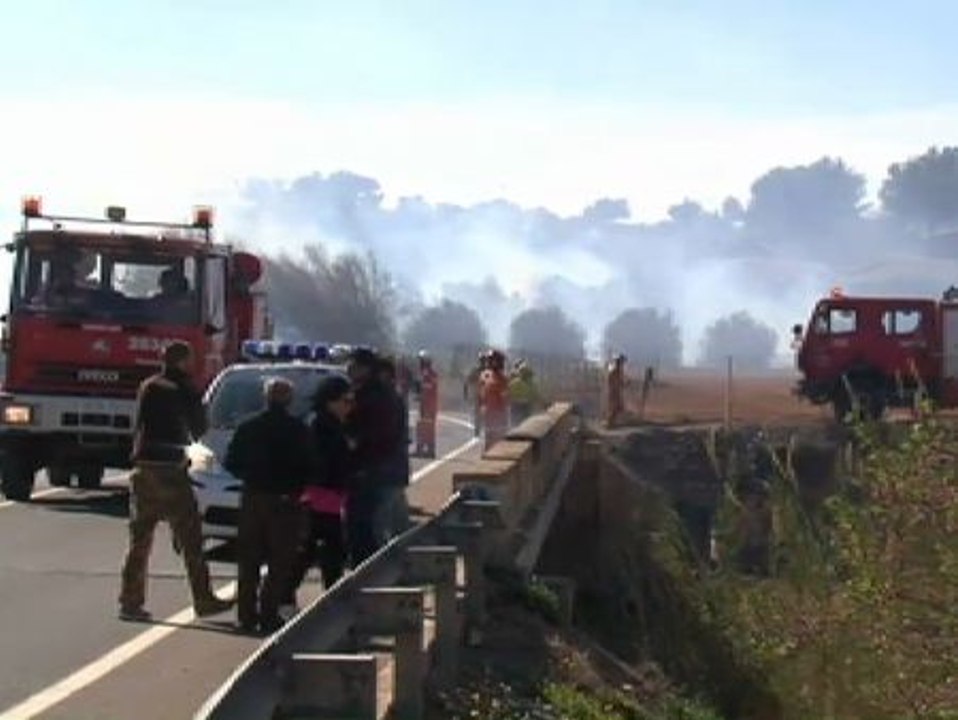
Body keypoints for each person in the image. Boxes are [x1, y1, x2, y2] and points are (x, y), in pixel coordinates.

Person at [119, 341, 233, 622]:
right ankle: (203, 599)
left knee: (140, 539)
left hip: (144, 466)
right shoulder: (183, 388)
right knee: (191, 538)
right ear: (183, 361)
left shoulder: (149, 385)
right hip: (171, 468)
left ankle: (130, 601)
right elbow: (199, 428)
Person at [223, 377, 314, 634]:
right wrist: (296, 487)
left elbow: (231, 462)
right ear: (290, 400)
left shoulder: (248, 427)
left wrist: (251, 477)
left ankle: (246, 615)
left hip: (254, 497)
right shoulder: (299, 430)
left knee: (249, 559)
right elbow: (312, 466)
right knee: (280, 561)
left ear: (265, 397)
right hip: (287, 500)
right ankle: (269, 614)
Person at [286, 375, 355, 603]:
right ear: (330, 401)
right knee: (319, 550)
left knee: (322, 551)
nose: (349, 406)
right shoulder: (321, 425)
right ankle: (290, 596)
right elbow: (322, 461)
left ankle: (326, 596)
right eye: (345, 401)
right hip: (321, 495)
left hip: (330, 496)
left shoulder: (331, 424)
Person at [345, 348, 406, 563]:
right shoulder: (381, 394)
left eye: (353, 366)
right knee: (378, 530)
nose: (348, 370)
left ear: (366, 369)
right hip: (383, 472)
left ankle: (373, 581)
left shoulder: (371, 397)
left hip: (373, 473)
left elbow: (377, 436)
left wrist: (353, 444)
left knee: (368, 531)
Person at [479, 349, 510, 450]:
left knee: (498, 441)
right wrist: (482, 406)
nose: (491, 363)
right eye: (490, 360)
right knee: (488, 439)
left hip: (499, 414)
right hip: (488, 413)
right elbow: (482, 393)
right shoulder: (485, 376)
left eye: (493, 360)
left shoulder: (503, 379)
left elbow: (505, 399)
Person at [415, 351, 439, 458]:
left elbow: (429, 387)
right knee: (424, 426)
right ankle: (424, 448)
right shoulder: (427, 373)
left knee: (427, 426)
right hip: (427, 403)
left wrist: (420, 390)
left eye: (421, 360)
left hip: (429, 404)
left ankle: (427, 449)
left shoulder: (428, 373)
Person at [508, 360, 540, 426]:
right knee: (524, 424)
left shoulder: (515, 382)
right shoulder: (530, 384)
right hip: (522, 407)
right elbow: (536, 396)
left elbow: (507, 394)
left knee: (517, 424)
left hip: (518, 407)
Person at [463, 351, 487, 437]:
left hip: (487, 395)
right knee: (478, 413)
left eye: (484, 360)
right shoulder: (476, 371)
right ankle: (477, 430)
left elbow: (466, 382)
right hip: (479, 395)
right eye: (482, 360)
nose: (483, 362)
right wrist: (465, 393)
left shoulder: (490, 371)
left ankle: (483, 429)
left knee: (486, 413)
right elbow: (467, 382)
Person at [606, 354, 628, 427]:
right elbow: (611, 380)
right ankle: (609, 422)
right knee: (614, 407)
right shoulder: (614, 370)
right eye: (621, 362)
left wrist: (625, 384)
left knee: (618, 407)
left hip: (616, 391)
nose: (622, 364)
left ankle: (611, 422)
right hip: (613, 392)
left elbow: (620, 382)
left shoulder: (618, 371)